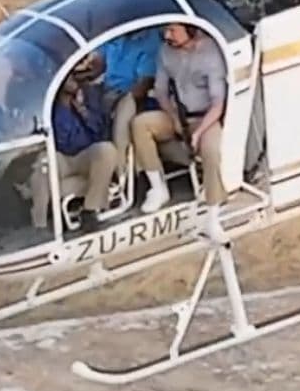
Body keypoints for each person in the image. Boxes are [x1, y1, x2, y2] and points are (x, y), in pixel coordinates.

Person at [130, 23, 227, 238]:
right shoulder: (165, 52)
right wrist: (173, 117)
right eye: (165, 30)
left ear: (190, 30)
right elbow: (161, 91)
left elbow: (218, 102)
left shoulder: (211, 53)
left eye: (173, 30)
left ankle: (213, 215)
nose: (167, 35)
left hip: (205, 118)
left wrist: (199, 132)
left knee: (211, 150)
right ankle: (158, 188)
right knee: (140, 124)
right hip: (178, 114)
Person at [81, 28, 162, 174]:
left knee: (124, 107)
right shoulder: (116, 31)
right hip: (105, 89)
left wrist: (114, 100)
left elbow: (144, 84)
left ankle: (121, 171)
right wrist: (81, 74)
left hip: (130, 94)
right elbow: (99, 64)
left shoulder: (150, 40)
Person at [50, 73, 118, 232]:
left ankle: (90, 210)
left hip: (86, 156)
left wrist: (82, 111)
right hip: (63, 159)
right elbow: (62, 143)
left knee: (106, 150)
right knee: (43, 168)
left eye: (74, 76)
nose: (74, 81)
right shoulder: (51, 109)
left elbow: (101, 132)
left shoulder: (89, 95)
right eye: (69, 78)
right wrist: (64, 107)